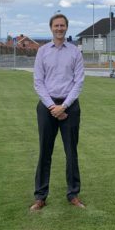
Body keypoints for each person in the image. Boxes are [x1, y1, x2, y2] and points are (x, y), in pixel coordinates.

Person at [30, 13, 85, 210]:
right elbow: (38, 81)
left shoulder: (75, 52)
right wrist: (53, 107)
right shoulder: (43, 51)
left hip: (70, 107)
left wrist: (64, 106)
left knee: (71, 152)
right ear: (51, 28)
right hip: (47, 107)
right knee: (45, 151)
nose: (59, 28)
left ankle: (73, 194)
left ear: (66, 28)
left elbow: (79, 82)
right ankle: (40, 196)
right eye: (56, 25)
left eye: (62, 25)